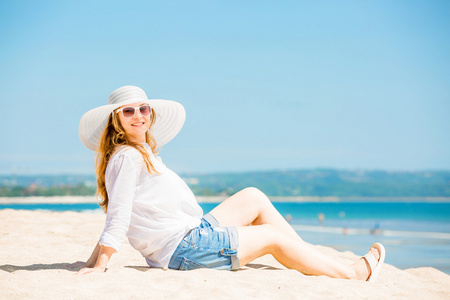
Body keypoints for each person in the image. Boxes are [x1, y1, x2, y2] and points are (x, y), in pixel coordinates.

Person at [74, 85, 385, 282]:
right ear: (116, 119)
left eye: (143, 109)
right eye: (128, 111)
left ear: (150, 114)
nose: (138, 115)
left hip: (191, 233)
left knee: (254, 197)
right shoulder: (128, 157)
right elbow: (119, 214)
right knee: (271, 236)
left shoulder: (139, 153)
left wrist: (90, 258)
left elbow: (116, 211)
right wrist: (100, 264)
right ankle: (351, 273)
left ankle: (310, 259)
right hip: (182, 249)